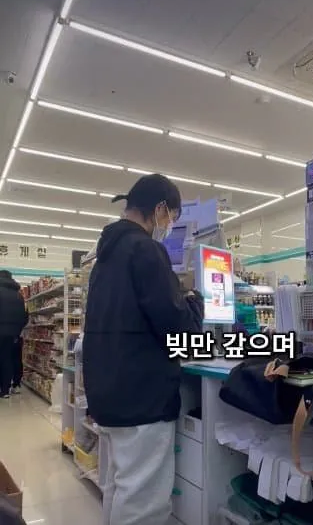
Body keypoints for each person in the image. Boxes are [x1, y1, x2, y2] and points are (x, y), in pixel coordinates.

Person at [83, 174, 204, 525]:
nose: (168, 226)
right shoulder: (146, 250)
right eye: (172, 218)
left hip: (110, 391)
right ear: (160, 208)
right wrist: (195, 304)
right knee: (144, 503)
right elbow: (176, 326)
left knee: (120, 487)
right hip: (141, 397)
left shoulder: (106, 254)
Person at [0, 271, 28, 398]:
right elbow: (24, 317)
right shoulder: (19, 296)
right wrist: (17, 331)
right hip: (12, 334)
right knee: (7, 359)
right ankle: (5, 390)